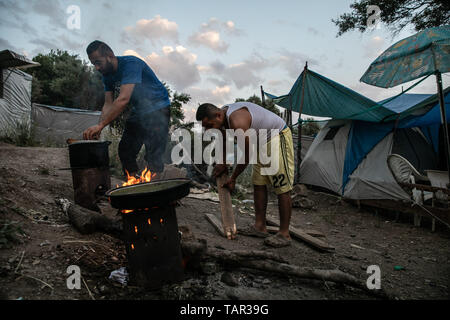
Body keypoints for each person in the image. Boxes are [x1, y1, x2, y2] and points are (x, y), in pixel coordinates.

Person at [196, 102, 294, 247]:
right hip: (260, 142)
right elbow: (223, 140)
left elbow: (247, 154)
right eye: (205, 127)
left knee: (282, 186)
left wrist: (233, 178)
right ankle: (260, 227)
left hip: (276, 137)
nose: (207, 130)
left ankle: (284, 234)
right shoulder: (222, 120)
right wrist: (222, 162)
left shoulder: (237, 121)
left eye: (209, 125)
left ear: (218, 115)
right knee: (259, 183)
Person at [83, 40, 171, 179]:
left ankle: (155, 190)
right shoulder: (107, 75)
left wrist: (100, 125)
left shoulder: (131, 64)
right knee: (125, 150)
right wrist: (99, 127)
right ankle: (133, 183)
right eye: (93, 63)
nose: (96, 68)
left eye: (98, 62)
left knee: (154, 153)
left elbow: (123, 99)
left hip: (158, 108)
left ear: (110, 56)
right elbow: (108, 103)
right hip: (139, 111)